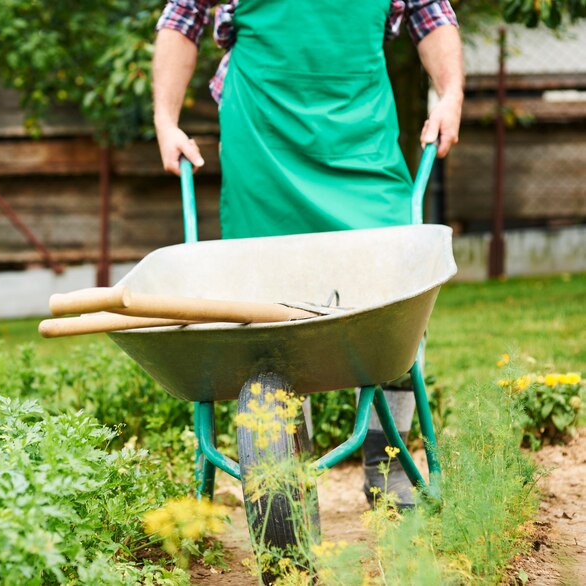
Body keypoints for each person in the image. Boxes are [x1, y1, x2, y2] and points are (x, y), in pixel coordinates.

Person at [152, 0, 464, 507]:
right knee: (268, 311)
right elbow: (182, 17)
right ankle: (285, 473)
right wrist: (166, 121)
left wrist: (450, 95)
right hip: (264, 141)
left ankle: (388, 463)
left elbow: (431, 14)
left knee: (396, 290)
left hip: (360, 140)